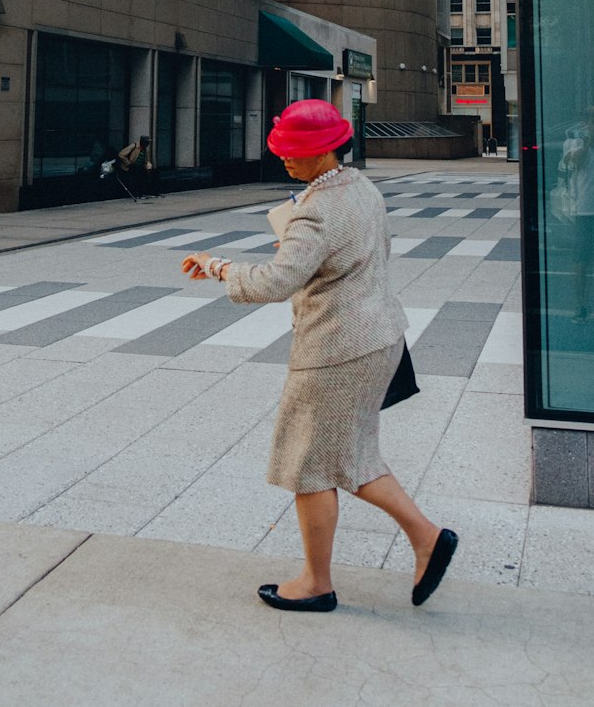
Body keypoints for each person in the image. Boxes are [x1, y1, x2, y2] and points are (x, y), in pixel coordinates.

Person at [181, 98, 458, 614]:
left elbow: (278, 280)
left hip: (335, 349)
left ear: (325, 151)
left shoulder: (316, 211)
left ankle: (316, 582)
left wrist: (217, 267)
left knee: (308, 464)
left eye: (295, 151)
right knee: (352, 455)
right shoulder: (362, 189)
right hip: (379, 336)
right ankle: (426, 537)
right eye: (283, 150)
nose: (285, 159)